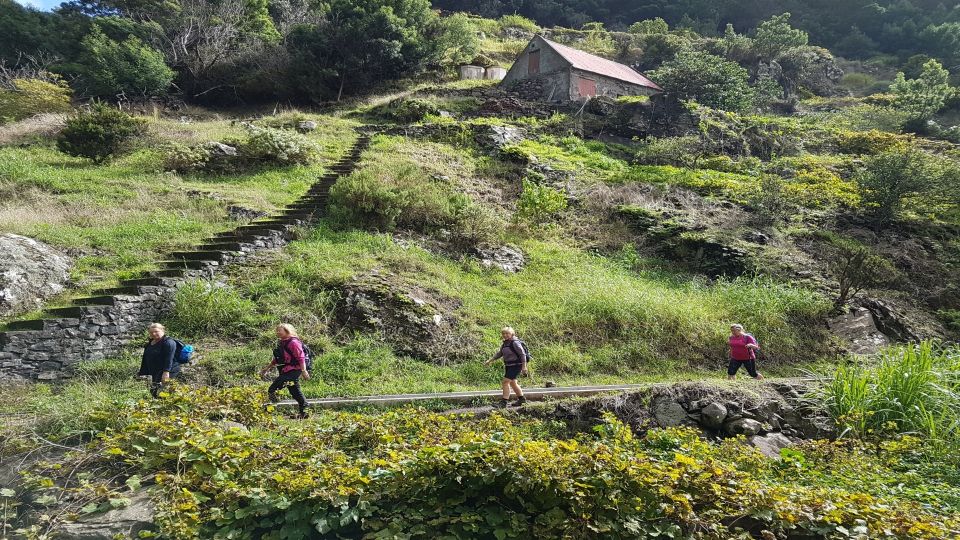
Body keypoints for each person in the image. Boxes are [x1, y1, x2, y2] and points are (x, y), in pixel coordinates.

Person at [260, 323, 311, 419]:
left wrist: (304, 371)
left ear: (287, 331)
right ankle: (305, 412)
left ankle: (272, 410)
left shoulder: (294, 343)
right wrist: (267, 368)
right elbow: (278, 359)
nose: (277, 332)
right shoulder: (283, 342)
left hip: (294, 370)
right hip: (288, 370)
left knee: (272, 389)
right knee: (295, 391)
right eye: (277, 330)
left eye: (280, 330)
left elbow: (301, 357)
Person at [483, 326, 528, 408]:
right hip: (509, 366)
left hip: (516, 365)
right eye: (503, 333)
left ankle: (503, 403)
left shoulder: (515, 342)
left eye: (507, 333)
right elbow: (500, 353)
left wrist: (524, 366)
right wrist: (490, 360)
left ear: (512, 334)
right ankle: (522, 400)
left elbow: (522, 354)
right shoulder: (505, 343)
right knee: (513, 383)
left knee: (505, 382)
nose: (505, 335)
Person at [138, 323, 178, 398]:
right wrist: (142, 372)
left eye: (156, 331)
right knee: (153, 391)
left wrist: (166, 373)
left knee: (162, 392)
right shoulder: (150, 343)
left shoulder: (169, 342)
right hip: (155, 371)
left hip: (168, 371)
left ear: (162, 330)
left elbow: (169, 358)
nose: (153, 333)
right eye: (151, 332)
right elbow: (145, 358)